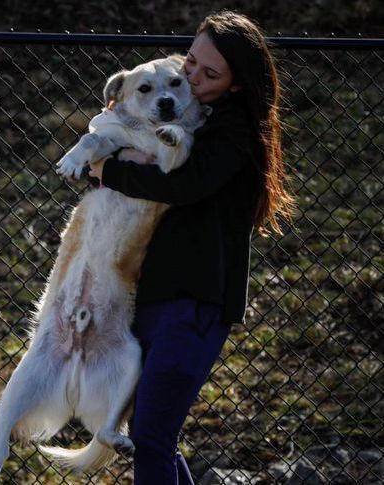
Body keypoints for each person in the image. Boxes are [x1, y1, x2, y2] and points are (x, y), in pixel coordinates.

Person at [88, 10, 295, 485]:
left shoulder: (235, 130)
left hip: (197, 301)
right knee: (150, 434)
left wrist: (107, 172)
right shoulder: (188, 112)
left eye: (210, 75)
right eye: (191, 67)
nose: (194, 80)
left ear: (238, 84)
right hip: (158, 292)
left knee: (151, 437)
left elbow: (187, 184)